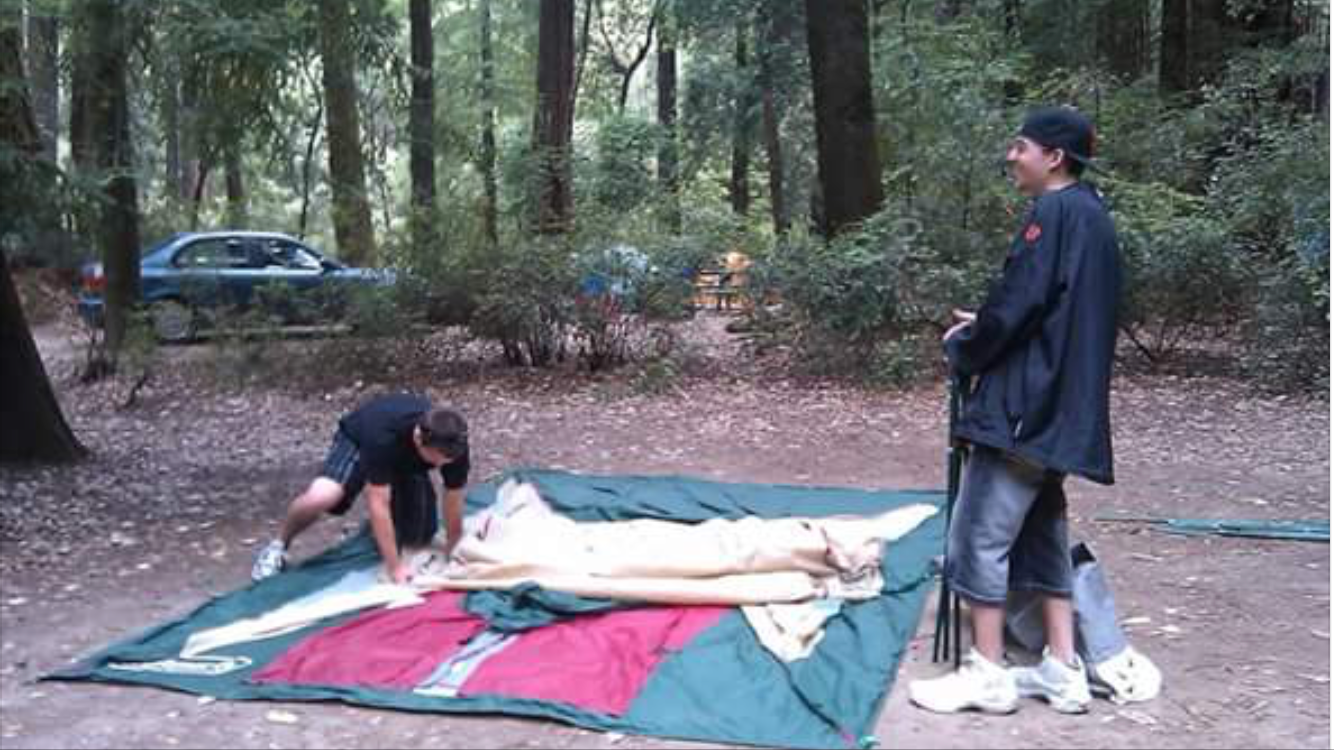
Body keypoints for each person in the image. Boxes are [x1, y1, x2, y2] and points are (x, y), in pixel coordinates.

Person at [909, 106, 1124, 715]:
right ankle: (1062, 666)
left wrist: (968, 346)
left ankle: (988, 672)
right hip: (1060, 408)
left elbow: (1020, 302)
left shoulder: (1050, 214)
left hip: (1024, 410)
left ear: (1053, 157)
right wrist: (994, 327)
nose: (1011, 156)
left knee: (976, 535)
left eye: (1021, 146)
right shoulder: (1093, 215)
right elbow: (1055, 309)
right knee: (1042, 533)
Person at [251, 393, 471, 585]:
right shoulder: (383, 436)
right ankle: (278, 546)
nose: (443, 465)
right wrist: (395, 568)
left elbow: (453, 497)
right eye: (437, 459)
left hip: (405, 461)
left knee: (420, 537)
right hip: (358, 441)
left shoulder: (453, 445)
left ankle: (390, 521)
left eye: (447, 460)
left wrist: (454, 547)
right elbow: (378, 503)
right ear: (419, 439)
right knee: (323, 496)